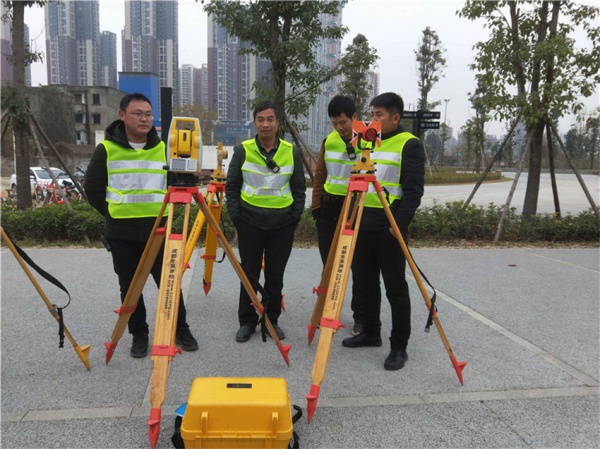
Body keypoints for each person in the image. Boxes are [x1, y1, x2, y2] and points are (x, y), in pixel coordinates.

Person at [85, 92, 198, 358]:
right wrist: (113, 213)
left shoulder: (164, 148)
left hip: (159, 230)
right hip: (121, 232)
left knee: (170, 282)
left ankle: (180, 328)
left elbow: (179, 182)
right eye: (138, 113)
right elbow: (93, 189)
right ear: (122, 116)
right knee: (130, 286)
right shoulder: (107, 149)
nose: (144, 119)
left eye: (148, 114)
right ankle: (139, 334)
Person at [341, 92, 425, 371]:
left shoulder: (409, 144)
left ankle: (399, 346)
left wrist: (397, 226)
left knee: (395, 289)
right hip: (362, 222)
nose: (373, 120)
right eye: (372, 114)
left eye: (379, 115)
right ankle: (371, 332)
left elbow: (413, 192)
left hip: (389, 226)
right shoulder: (367, 141)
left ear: (395, 117)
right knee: (365, 283)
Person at [226, 100, 306, 343]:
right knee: (248, 274)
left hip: (282, 225)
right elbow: (232, 187)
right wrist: (237, 218)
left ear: (278, 123)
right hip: (249, 223)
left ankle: (272, 320)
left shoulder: (291, 151)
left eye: (270, 119)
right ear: (255, 122)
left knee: (275, 276)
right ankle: (247, 322)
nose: (265, 124)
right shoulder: (243, 150)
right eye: (260, 119)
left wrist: (294, 218)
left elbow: (299, 189)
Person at [311, 95, 364, 335]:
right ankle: (329, 311)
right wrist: (316, 207)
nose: (339, 128)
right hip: (330, 210)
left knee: (360, 267)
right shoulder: (329, 141)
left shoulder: (371, 139)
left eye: (343, 122)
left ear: (354, 116)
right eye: (334, 123)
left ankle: (361, 316)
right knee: (330, 265)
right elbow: (320, 176)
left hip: (358, 207)